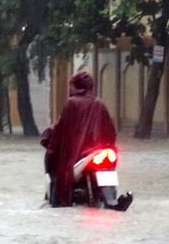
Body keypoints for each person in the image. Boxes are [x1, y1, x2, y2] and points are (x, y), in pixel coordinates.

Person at [41, 70, 127, 208]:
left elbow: (60, 131)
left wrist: (50, 141)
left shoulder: (71, 103)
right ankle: (111, 200)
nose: (71, 89)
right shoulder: (100, 103)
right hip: (99, 152)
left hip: (77, 156)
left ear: (77, 86)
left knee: (57, 168)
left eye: (72, 85)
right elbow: (111, 131)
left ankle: (58, 199)